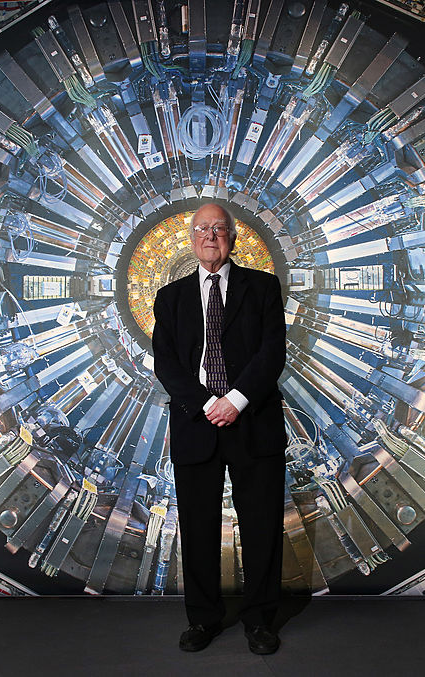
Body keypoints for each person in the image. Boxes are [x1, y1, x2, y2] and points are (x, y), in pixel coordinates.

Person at [152, 203, 288, 655]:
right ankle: (203, 620)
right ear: (190, 239)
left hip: (254, 421)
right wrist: (210, 403)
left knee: (263, 525)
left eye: (219, 229)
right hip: (197, 423)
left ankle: (261, 621)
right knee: (197, 527)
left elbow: (272, 354)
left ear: (232, 237)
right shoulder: (169, 298)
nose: (211, 236)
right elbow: (167, 365)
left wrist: (236, 400)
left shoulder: (264, 287)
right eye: (202, 229)